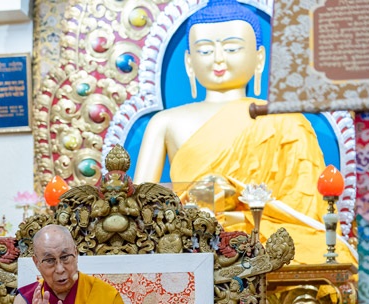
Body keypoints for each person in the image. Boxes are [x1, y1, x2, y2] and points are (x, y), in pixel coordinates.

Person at [133, 0, 355, 265]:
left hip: (264, 233)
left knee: (319, 252)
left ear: (259, 58)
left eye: (232, 48)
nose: (218, 58)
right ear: (189, 62)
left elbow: (305, 213)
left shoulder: (285, 120)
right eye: (205, 50)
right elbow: (140, 206)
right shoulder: (165, 122)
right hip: (191, 236)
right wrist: (193, 196)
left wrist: (239, 193)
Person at [11, 224, 137, 304]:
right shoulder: (24, 300)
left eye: (65, 257)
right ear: (36, 262)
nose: (60, 269)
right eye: (49, 260)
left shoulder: (105, 295)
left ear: (76, 254)